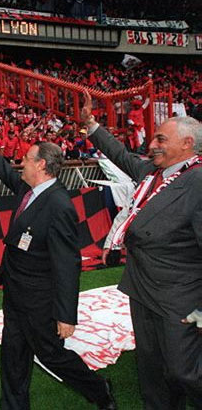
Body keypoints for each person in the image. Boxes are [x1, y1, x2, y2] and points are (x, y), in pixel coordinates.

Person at [0, 129, 116, 410]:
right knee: (13, 354)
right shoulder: (29, 190)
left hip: (39, 298)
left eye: (26, 158)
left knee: (50, 355)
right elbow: (5, 172)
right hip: (15, 291)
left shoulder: (59, 206)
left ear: (41, 165)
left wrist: (65, 315)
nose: (21, 162)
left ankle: (98, 388)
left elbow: (67, 264)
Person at [82, 91, 202, 409]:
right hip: (142, 288)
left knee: (184, 372)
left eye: (161, 139)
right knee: (151, 371)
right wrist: (92, 126)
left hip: (180, 296)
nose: (152, 145)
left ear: (187, 144)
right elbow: (121, 156)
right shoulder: (153, 173)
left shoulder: (198, 182)